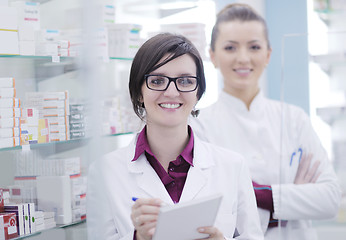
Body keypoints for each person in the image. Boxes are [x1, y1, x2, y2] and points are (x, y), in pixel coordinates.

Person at [86, 32, 263, 240]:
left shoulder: (232, 166)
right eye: (158, 80)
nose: (171, 92)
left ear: (198, 93)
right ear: (139, 92)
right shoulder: (104, 172)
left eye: (186, 81)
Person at [190, 3, 341, 240]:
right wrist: (292, 201)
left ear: (268, 54)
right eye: (230, 47)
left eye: (254, 47)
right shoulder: (198, 127)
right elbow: (215, 214)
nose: (243, 58)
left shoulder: (294, 119)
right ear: (213, 56)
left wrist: (257, 195)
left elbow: (330, 199)